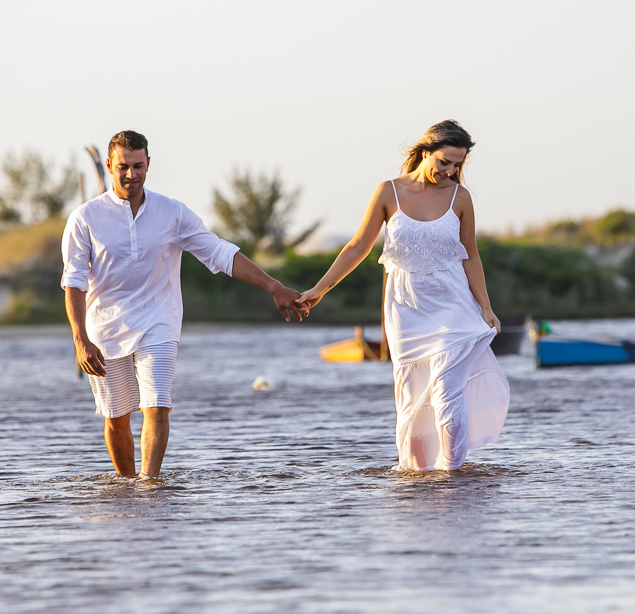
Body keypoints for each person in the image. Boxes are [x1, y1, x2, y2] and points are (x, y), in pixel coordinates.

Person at [62, 130, 307, 479]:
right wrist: (80, 339)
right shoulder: (85, 217)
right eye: (123, 167)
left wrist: (273, 286)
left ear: (148, 164)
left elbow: (219, 251)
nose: (131, 174)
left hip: (159, 322)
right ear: (110, 166)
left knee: (157, 405)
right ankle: (126, 486)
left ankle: (148, 486)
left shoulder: (172, 213)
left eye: (138, 166)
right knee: (116, 417)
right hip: (106, 327)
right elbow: (74, 282)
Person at [299, 120, 510, 471]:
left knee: (446, 392)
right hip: (406, 309)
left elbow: (471, 255)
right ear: (425, 152)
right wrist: (319, 289)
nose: (449, 171)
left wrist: (485, 307)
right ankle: (417, 476)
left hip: (453, 305)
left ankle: (452, 474)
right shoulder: (388, 192)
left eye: (457, 165)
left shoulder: (460, 198)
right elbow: (357, 247)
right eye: (444, 162)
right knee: (412, 398)